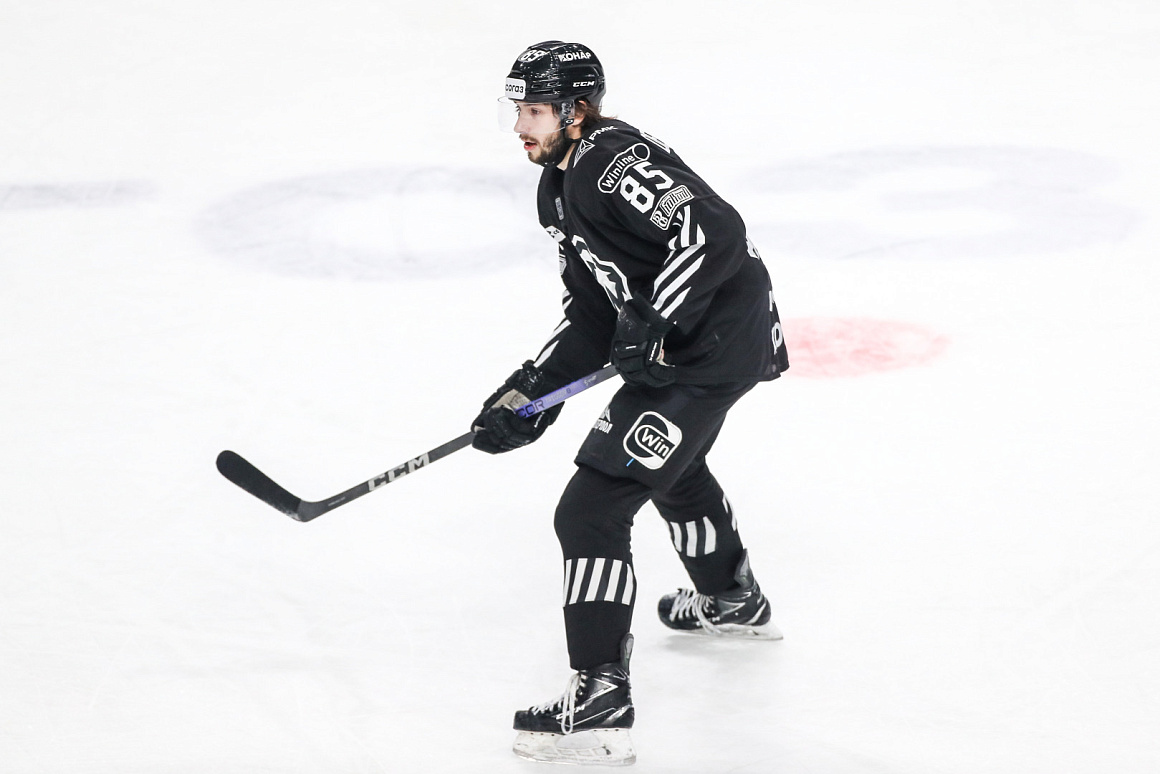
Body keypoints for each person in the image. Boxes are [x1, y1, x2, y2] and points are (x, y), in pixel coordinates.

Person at [472, 40, 790, 766]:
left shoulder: (610, 162)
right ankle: (732, 599)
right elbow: (593, 315)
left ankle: (600, 700)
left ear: (578, 110)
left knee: (591, 509)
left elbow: (715, 231)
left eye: (535, 110)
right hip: (687, 347)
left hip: (711, 347)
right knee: (671, 466)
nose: (520, 126)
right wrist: (530, 393)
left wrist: (654, 318)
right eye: (517, 110)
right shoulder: (558, 189)